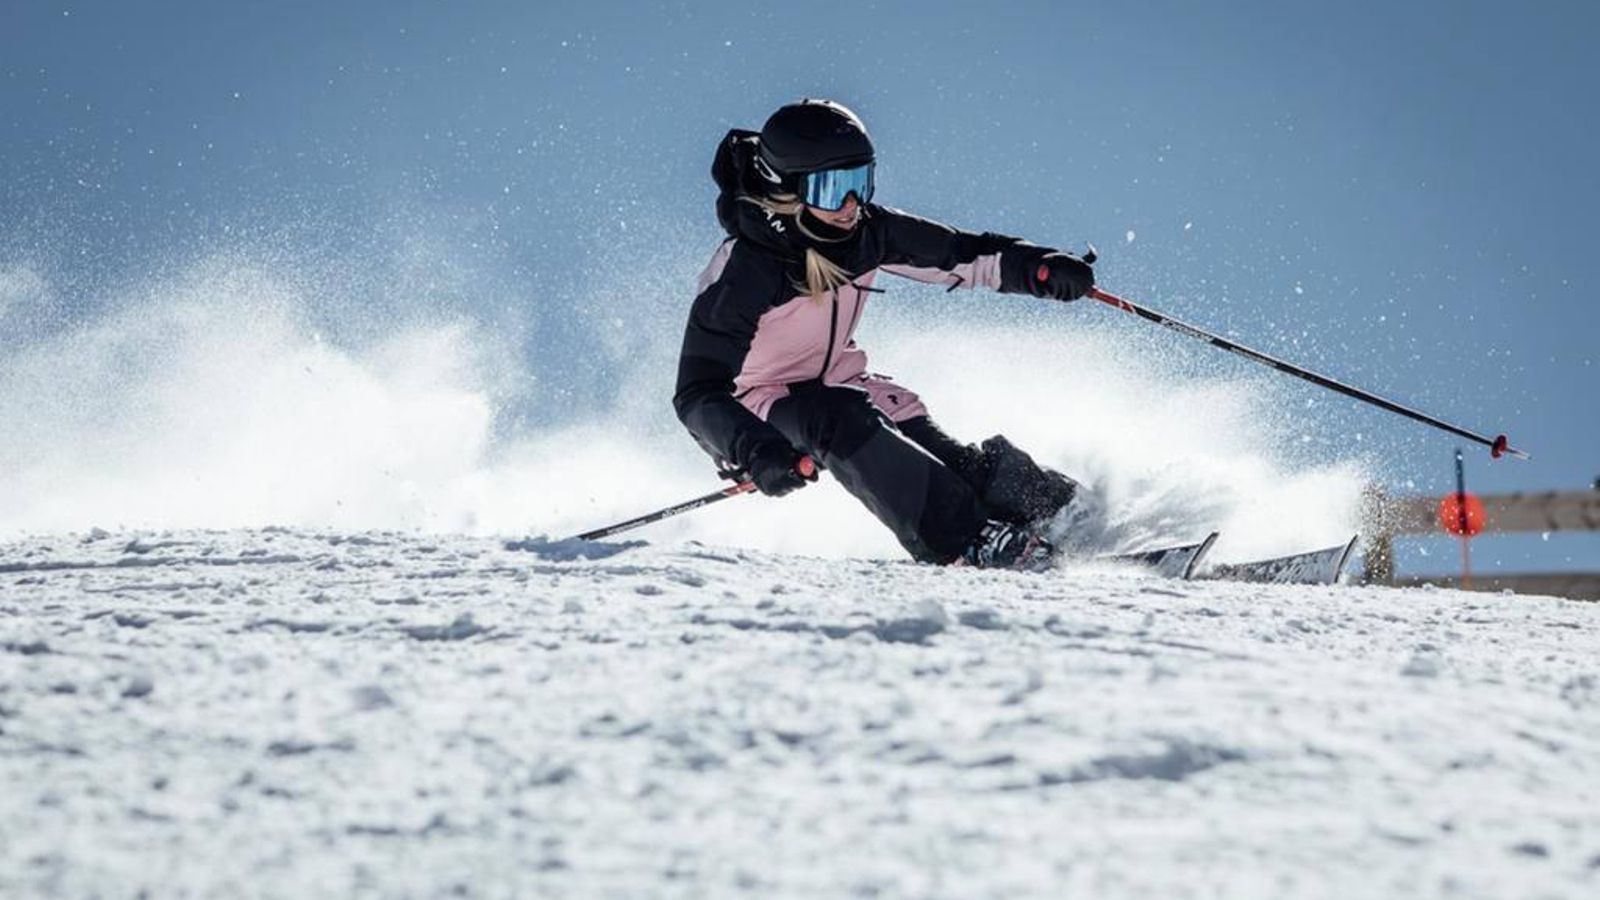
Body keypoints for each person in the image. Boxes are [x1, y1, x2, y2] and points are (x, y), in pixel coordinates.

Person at [673, 99, 1095, 569]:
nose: (851, 206)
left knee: (954, 463)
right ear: (788, 191)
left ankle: (1058, 515)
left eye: (860, 183)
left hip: (840, 382)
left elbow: (961, 254)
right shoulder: (747, 269)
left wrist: (1036, 268)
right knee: (834, 417)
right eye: (834, 189)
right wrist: (752, 448)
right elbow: (698, 393)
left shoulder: (867, 233)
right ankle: (968, 542)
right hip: (758, 406)